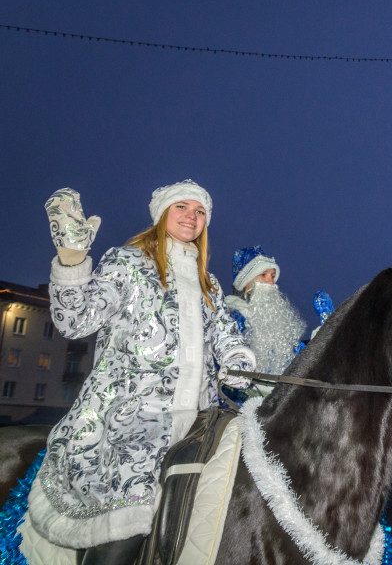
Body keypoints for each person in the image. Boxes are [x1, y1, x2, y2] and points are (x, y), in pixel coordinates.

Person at [23, 181, 255, 565]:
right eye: (181, 207)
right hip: (131, 419)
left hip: (199, 419)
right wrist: (71, 256)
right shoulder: (128, 262)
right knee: (129, 510)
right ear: (163, 214)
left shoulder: (208, 283)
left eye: (199, 212)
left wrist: (239, 363)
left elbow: (225, 337)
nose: (191, 217)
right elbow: (76, 321)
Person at [225, 246, 308, 375]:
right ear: (245, 282)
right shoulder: (231, 318)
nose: (271, 282)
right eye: (263, 275)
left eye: (273, 276)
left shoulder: (275, 320)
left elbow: (293, 358)